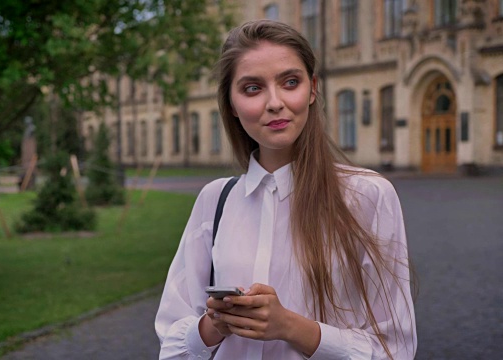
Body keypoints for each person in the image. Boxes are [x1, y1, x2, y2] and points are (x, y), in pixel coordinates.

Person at [155, 20, 417, 359]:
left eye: (290, 82)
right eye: (253, 88)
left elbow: (394, 349)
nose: (275, 102)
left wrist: (290, 327)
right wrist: (214, 323)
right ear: (232, 105)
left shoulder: (367, 196)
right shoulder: (215, 201)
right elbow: (173, 346)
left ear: (312, 89)